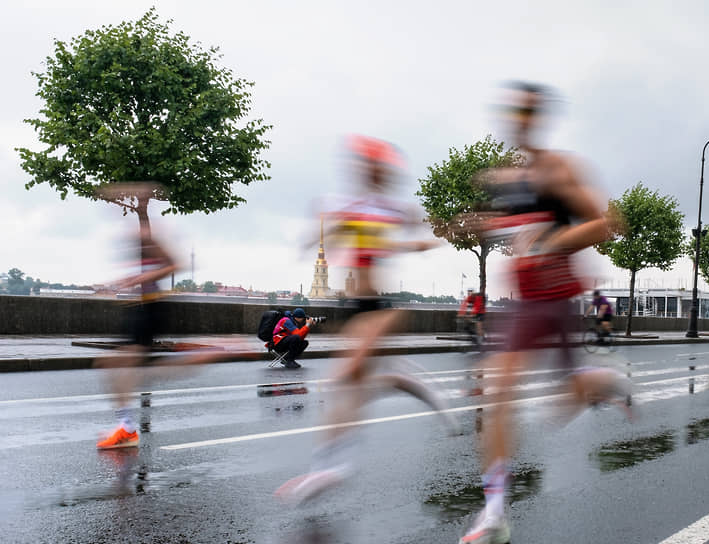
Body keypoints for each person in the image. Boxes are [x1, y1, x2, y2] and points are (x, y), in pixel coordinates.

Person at [457, 82, 631, 544]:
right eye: (513, 116)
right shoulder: (508, 180)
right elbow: (515, 227)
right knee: (497, 394)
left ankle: (604, 378)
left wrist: (550, 242)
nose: (518, 124)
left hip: (556, 299)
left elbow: (606, 223)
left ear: (537, 121)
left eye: (526, 116)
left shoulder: (560, 169)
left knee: (562, 407)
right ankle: (494, 512)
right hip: (524, 305)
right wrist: (484, 223)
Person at [274, 135, 454, 505]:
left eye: (369, 165)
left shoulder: (387, 209)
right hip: (358, 306)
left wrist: (417, 240)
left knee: (344, 376)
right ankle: (325, 466)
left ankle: (338, 466)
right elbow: (335, 226)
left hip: (382, 307)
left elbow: (417, 235)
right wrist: (314, 236)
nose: (363, 170)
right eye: (361, 164)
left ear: (379, 170)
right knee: (360, 383)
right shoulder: (353, 206)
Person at [94, 183, 254, 450]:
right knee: (117, 365)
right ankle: (126, 427)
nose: (118, 204)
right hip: (140, 308)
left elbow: (176, 263)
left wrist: (143, 277)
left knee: (143, 368)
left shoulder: (149, 235)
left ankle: (222, 348)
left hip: (151, 308)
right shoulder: (136, 232)